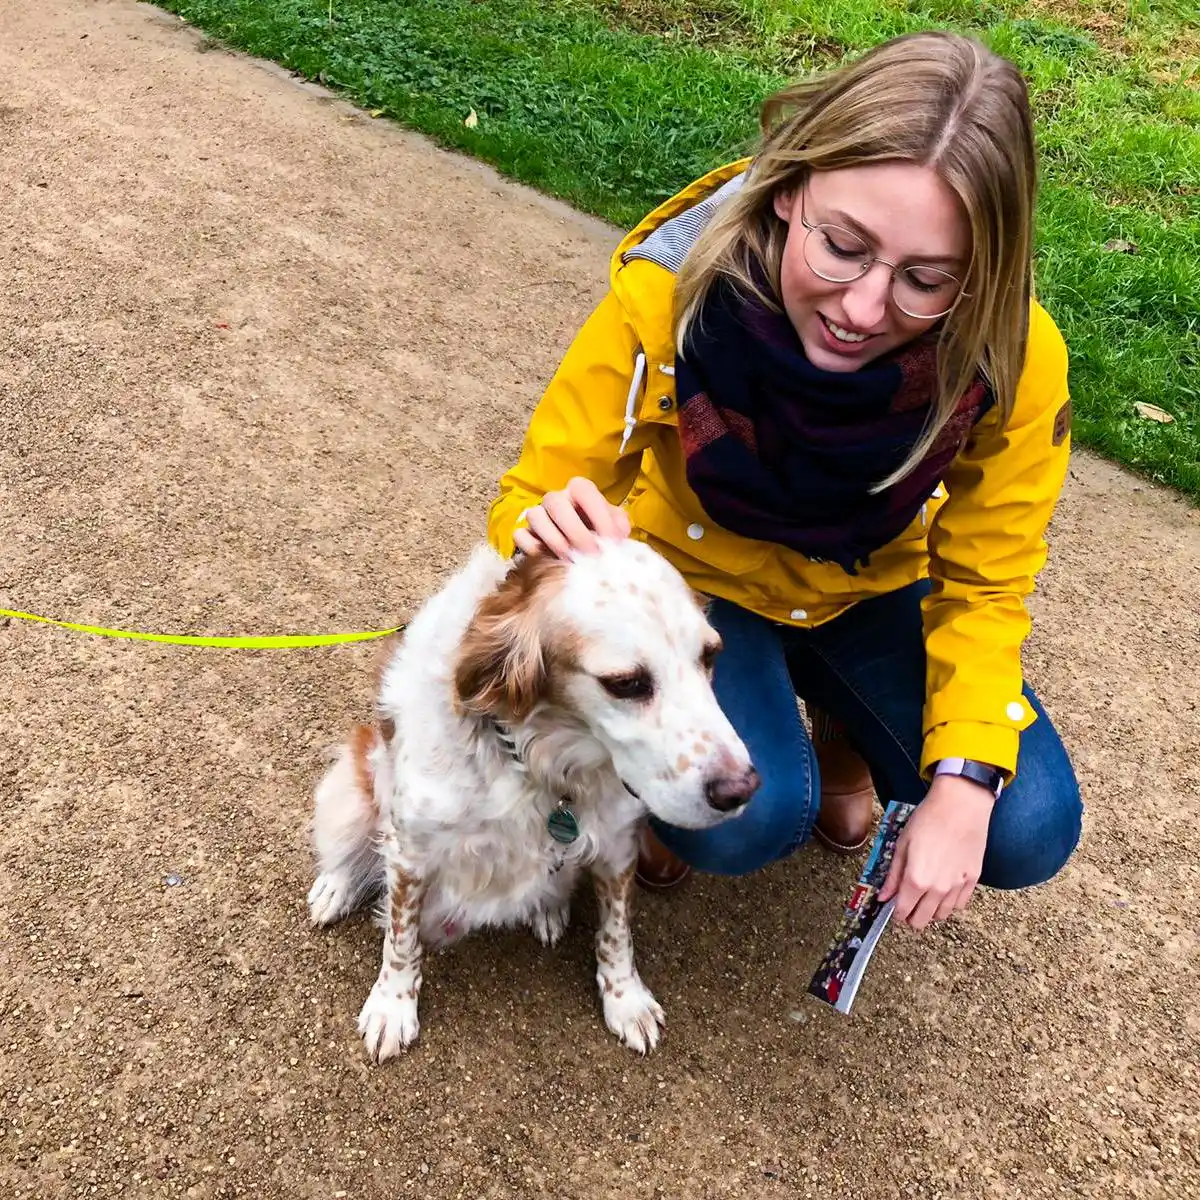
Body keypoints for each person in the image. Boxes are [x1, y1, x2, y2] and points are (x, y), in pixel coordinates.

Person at [485, 31, 1082, 931]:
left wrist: (966, 779)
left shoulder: (1013, 355)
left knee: (1024, 826)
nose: (863, 309)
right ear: (787, 188)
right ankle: (664, 781)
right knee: (746, 825)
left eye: (927, 279)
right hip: (696, 584)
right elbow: (532, 494)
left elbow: (988, 583)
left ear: (984, 275)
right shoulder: (670, 288)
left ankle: (844, 735)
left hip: (872, 587)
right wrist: (545, 527)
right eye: (841, 245)